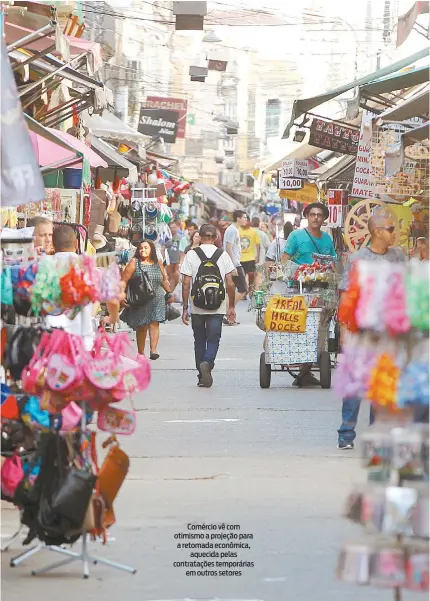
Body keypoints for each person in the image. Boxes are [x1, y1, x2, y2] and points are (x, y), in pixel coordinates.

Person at [337, 210, 406, 449]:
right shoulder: (359, 259)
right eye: (390, 229)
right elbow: (346, 294)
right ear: (377, 232)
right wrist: (345, 329)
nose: (394, 233)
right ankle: (346, 434)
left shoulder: (398, 256)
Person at [46, 225, 123, 350]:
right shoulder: (91, 269)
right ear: (76, 243)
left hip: (48, 338)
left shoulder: (40, 267)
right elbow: (113, 300)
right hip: (80, 341)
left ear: (53, 245)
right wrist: (113, 317)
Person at [181, 224, 236, 388]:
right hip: (217, 305)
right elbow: (230, 283)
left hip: (197, 304)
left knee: (199, 339)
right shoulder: (223, 255)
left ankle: (201, 375)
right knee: (213, 338)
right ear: (216, 237)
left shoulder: (191, 254)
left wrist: (185, 307)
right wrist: (231, 306)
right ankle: (208, 363)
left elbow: (185, 283)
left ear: (200, 236)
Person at [121, 240, 173, 360]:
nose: (143, 250)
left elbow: (164, 280)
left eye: (146, 248)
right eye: (141, 248)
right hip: (140, 298)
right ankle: (140, 352)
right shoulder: (134, 263)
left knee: (155, 323)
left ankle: (153, 350)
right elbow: (124, 280)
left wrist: (170, 293)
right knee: (142, 325)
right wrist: (121, 294)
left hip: (157, 297)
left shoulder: (158, 263)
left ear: (152, 250)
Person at [223, 209, 248, 324]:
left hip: (234, 262)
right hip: (234, 264)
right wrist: (232, 265)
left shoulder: (234, 230)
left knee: (231, 290)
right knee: (243, 289)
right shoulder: (232, 230)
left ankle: (228, 312)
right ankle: (228, 309)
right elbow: (229, 247)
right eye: (244, 217)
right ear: (238, 218)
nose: (246, 220)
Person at [239, 216, 260, 289]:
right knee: (241, 275)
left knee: (251, 274)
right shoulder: (238, 230)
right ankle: (243, 292)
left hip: (250, 258)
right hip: (240, 258)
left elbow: (258, 244)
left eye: (246, 221)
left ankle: (250, 288)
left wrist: (258, 256)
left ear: (249, 222)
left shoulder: (253, 231)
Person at [164, 221, 182, 292]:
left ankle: (171, 291)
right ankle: (168, 292)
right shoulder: (166, 237)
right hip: (168, 261)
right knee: (167, 276)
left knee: (174, 276)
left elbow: (181, 251)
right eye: (171, 227)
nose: (172, 229)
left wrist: (180, 261)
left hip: (176, 261)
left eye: (174, 227)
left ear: (177, 228)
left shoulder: (180, 238)